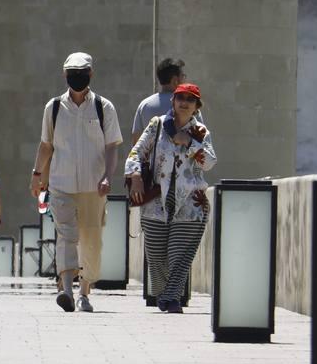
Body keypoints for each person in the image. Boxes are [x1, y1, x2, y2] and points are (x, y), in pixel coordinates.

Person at [30, 52, 123, 313]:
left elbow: (111, 147)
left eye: (82, 72)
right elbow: (46, 145)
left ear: (91, 74)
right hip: (61, 184)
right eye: (72, 72)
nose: (77, 77)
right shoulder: (54, 108)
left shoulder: (104, 108)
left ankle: (84, 292)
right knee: (67, 236)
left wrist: (108, 176)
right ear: (64, 74)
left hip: (94, 187)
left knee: (91, 240)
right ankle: (67, 290)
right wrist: (37, 174)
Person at [125, 83, 216, 313]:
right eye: (181, 98)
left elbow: (210, 162)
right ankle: (164, 294)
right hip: (156, 201)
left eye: (190, 99)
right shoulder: (157, 125)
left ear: (197, 106)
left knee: (180, 257)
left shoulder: (201, 132)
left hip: (191, 204)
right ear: (173, 101)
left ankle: (172, 299)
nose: (184, 102)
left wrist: (190, 143)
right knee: (155, 257)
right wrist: (135, 174)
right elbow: (137, 151)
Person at [132, 58, 188, 143]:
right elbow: (200, 139)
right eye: (183, 76)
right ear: (175, 81)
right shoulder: (188, 105)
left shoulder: (145, 105)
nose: (185, 80)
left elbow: (136, 141)